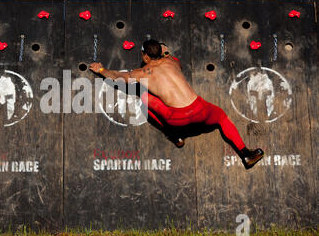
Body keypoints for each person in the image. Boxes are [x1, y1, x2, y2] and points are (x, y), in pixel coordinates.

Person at [89, 39, 264, 170]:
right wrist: (165, 52)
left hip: (177, 119)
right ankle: (245, 154)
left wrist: (101, 70)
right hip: (200, 110)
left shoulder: (141, 73)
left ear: (145, 56)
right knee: (222, 118)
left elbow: (118, 77)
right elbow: (171, 56)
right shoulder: (172, 62)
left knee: (144, 98)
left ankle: (175, 137)